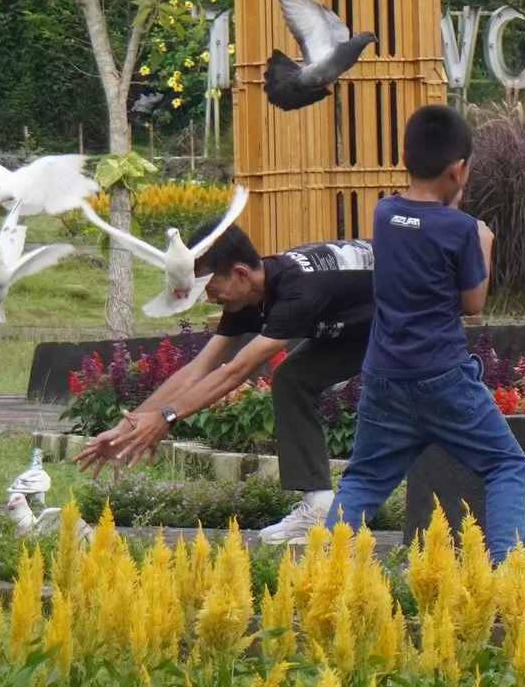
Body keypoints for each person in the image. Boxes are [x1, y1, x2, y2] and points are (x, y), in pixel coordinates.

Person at [77, 222, 375, 543]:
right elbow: (197, 369)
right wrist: (127, 429)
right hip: (358, 324)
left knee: (393, 398)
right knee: (292, 378)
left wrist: (166, 417)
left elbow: (235, 372)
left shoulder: (298, 290)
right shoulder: (247, 297)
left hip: (408, 310)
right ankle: (317, 507)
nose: (207, 297)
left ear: (241, 273)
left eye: (209, 285)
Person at [326, 103, 525, 559]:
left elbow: (418, 225)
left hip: (384, 375)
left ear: (407, 160)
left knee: (362, 479)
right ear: (458, 169)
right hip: (443, 378)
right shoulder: (463, 230)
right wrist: (486, 243)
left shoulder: (383, 214)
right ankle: (506, 579)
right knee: (505, 464)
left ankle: (324, 572)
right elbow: (472, 304)